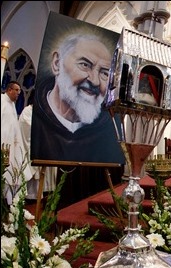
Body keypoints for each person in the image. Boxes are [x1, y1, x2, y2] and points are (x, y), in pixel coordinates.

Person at [31, 31, 125, 164]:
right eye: (85, 65)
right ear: (57, 63)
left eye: (104, 73)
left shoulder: (109, 131)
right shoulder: (31, 119)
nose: (95, 82)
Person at [19, 91, 57, 201]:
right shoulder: (27, 111)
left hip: (43, 145)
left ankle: (44, 192)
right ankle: (31, 196)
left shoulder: (42, 111)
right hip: (30, 146)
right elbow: (28, 126)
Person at [1, 81, 32, 204]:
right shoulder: (2, 101)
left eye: (19, 90)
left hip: (12, 147)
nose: (19, 93)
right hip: (4, 146)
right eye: (16, 90)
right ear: (9, 90)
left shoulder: (11, 104)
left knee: (14, 174)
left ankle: (12, 203)